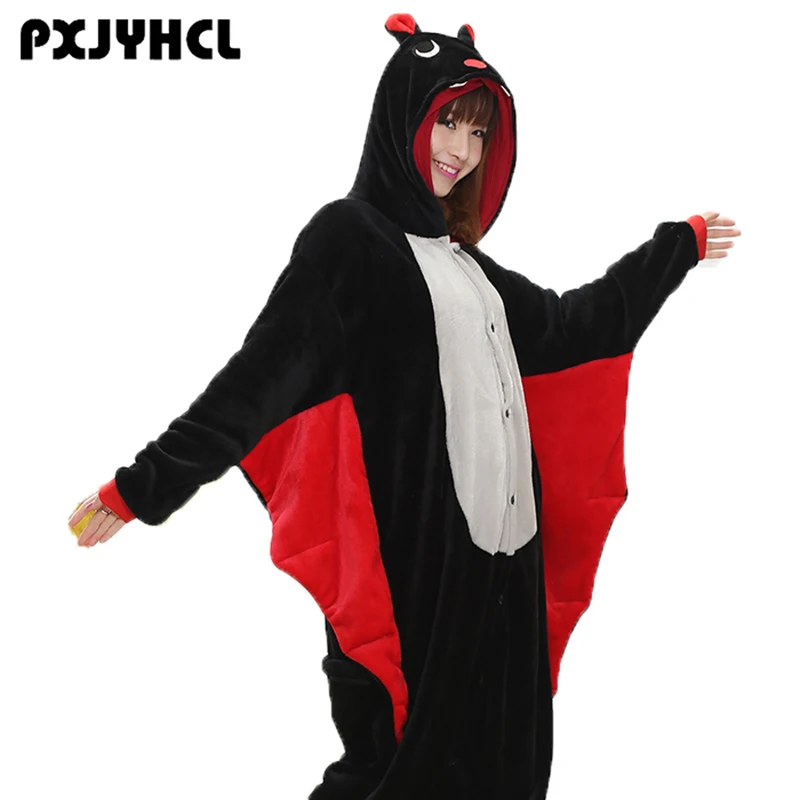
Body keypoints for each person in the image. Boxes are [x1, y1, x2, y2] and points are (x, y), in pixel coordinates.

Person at [68, 13, 740, 800]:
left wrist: (675, 248)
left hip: (507, 574)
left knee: (504, 772)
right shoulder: (349, 241)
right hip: (417, 575)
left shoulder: (471, 271)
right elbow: (254, 384)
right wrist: (139, 489)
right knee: (388, 771)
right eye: (448, 120)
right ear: (403, 114)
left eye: (479, 131)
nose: (462, 149)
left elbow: (576, 324)